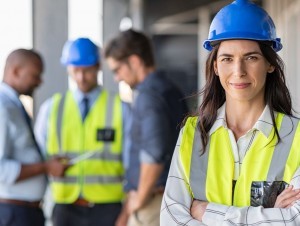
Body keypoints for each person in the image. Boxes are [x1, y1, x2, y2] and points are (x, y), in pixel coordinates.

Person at [160, 0, 300, 225]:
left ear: (270, 64)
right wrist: (270, 215)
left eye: (251, 58)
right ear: (215, 66)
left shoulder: (297, 136)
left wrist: (207, 212)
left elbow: (295, 220)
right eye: (227, 59)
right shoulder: (192, 133)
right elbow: (171, 219)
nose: (238, 71)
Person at [35, 38, 127, 226]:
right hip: (65, 207)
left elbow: (133, 162)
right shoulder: (52, 108)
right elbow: (39, 157)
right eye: (75, 71)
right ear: (68, 68)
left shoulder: (120, 108)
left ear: (98, 67)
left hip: (108, 207)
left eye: (87, 71)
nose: (81, 77)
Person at [104, 29, 188, 226]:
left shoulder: (149, 95)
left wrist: (139, 199)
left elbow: (154, 152)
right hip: (167, 197)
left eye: (117, 70)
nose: (117, 78)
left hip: (153, 202)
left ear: (134, 61)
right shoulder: (168, 88)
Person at [0, 49, 68, 226]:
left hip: (26, 212)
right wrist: (45, 167)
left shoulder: (13, 106)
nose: (39, 81)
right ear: (16, 71)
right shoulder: (2, 109)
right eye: (35, 75)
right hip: (13, 213)